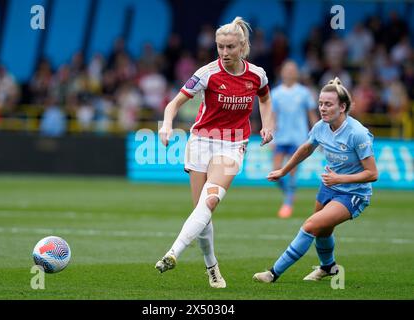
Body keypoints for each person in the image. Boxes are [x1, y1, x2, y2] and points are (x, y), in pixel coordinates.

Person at [155, 17, 274, 288]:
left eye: (230, 47)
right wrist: (167, 126)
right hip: (201, 141)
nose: (224, 52)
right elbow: (173, 103)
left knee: (209, 203)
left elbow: (265, 98)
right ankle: (212, 267)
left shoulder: (257, 75)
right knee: (201, 211)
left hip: (232, 144)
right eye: (220, 46)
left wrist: (267, 125)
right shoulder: (207, 73)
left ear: (242, 45)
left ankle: (173, 252)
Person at [253, 77, 378, 283]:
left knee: (311, 225)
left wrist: (340, 178)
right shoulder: (321, 126)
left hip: (353, 193)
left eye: (328, 104)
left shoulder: (357, 134)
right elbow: (306, 149)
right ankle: (328, 267)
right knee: (322, 230)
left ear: (342, 107)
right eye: (320, 103)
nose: (322, 108)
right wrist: (284, 170)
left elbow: (372, 174)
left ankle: (273, 273)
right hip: (329, 186)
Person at [271, 60, 318, 218]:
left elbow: (311, 115)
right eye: (287, 70)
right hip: (281, 137)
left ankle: (288, 204)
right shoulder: (276, 93)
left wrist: (317, 134)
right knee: (275, 170)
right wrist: (271, 137)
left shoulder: (304, 92)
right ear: (282, 72)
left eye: (293, 70)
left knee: (291, 171)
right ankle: (290, 193)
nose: (290, 72)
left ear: (297, 73)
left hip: (299, 138)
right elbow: (273, 117)